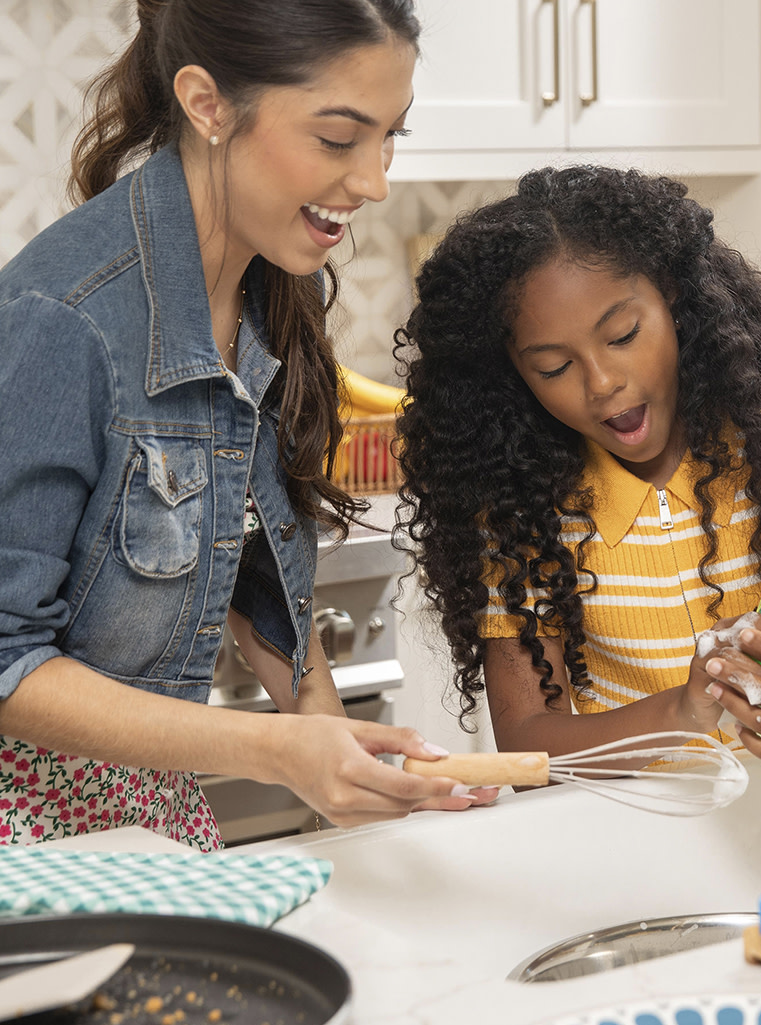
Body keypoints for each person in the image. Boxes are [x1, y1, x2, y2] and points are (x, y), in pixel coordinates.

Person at [0, 0, 497, 852]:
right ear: (208, 104)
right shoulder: (63, 317)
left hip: (157, 829)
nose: (374, 180)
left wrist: (342, 755)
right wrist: (275, 749)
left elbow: (254, 572)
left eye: (391, 137)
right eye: (339, 139)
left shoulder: (268, 285)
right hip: (32, 850)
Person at [393, 165, 761, 789]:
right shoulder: (519, 519)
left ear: (676, 300)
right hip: (631, 852)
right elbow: (531, 742)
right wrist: (681, 711)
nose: (601, 381)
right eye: (555, 367)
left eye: (623, 336)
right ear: (512, 379)